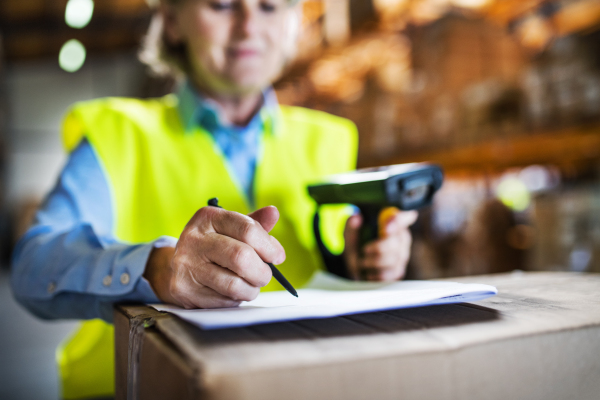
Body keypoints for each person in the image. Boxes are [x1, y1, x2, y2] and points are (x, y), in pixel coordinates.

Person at [10, 0, 417, 398]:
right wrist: (157, 268)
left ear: (293, 20)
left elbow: (327, 256)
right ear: (171, 20)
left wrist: (361, 258)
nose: (248, 25)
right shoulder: (116, 133)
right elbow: (33, 264)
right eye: (222, 5)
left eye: (270, 7)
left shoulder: (329, 139)